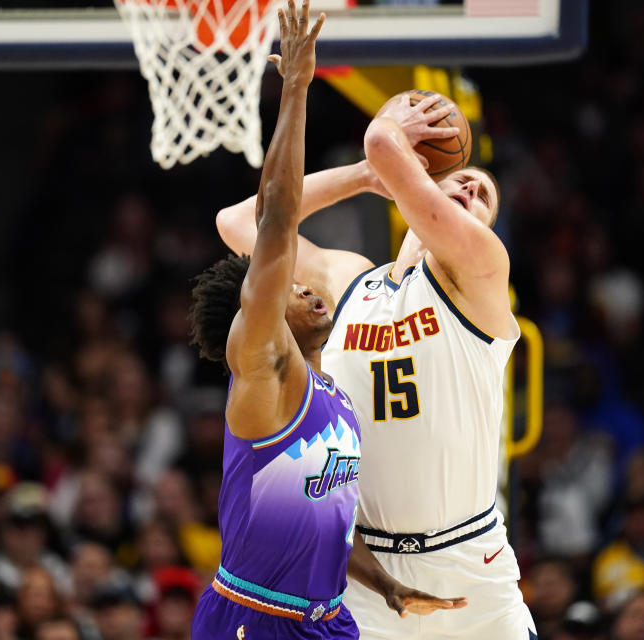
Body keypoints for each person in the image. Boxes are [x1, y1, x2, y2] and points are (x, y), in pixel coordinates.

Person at [188, 3, 463, 637]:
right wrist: (296, 89)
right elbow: (275, 218)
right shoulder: (262, 363)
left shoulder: (332, 394)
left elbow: (328, 518)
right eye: (288, 285)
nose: (308, 287)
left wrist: (389, 585)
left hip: (327, 619)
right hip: (253, 615)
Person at [215, 94, 533, 638]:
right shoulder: (349, 281)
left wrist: (387, 140)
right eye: (462, 180)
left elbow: (382, 141)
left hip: (470, 563)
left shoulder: (481, 274)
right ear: (423, 187)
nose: (473, 189)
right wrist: (363, 176)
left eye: (484, 197)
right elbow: (240, 220)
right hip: (364, 573)